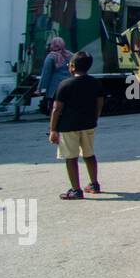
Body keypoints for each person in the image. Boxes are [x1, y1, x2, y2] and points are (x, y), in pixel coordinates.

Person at [49, 50, 104, 200]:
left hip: (68, 127)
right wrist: (95, 118)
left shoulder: (65, 84)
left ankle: (76, 189)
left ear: (72, 66)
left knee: (71, 157)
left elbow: (57, 108)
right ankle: (94, 184)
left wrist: (53, 129)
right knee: (89, 154)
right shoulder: (95, 83)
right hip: (88, 124)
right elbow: (99, 103)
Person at [37, 36, 72, 115]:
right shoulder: (69, 55)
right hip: (69, 84)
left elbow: (46, 73)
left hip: (55, 86)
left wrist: (39, 88)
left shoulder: (51, 56)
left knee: (55, 107)